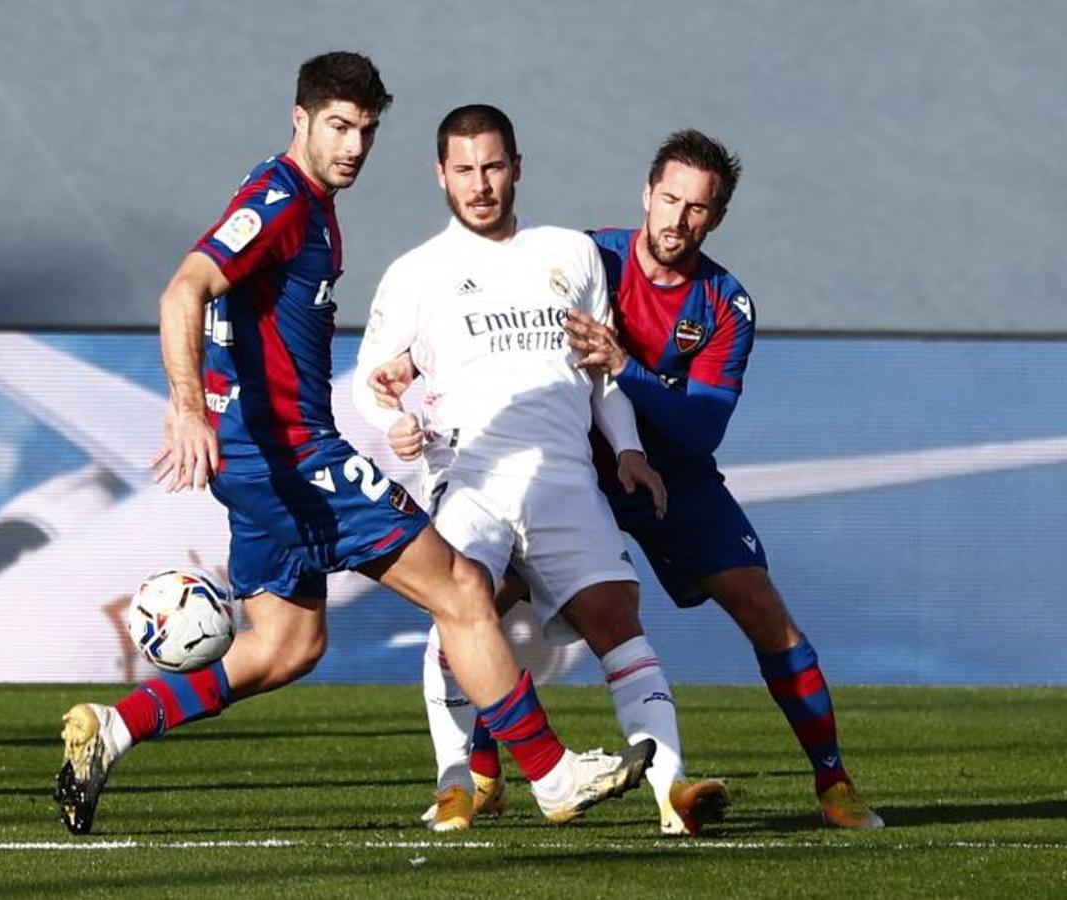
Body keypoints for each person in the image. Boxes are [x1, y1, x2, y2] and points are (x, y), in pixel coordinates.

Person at [53, 53, 652, 837]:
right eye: (338, 125)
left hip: (263, 463)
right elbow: (183, 289)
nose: (353, 146)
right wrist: (189, 406)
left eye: (366, 130)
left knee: (286, 645)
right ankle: (550, 773)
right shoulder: (282, 200)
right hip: (296, 456)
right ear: (299, 118)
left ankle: (116, 725)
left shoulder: (300, 201)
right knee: (464, 590)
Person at [371, 129, 884, 830]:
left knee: (769, 618)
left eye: (697, 208)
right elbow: (478, 330)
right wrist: (409, 378)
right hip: (570, 470)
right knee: (476, 602)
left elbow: (701, 428)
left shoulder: (725, 304)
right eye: (668, 198)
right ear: (646, 193)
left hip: (669, 476)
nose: (677, 219)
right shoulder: (584, 255)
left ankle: (833, 782)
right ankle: (479, 775)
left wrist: (626, 371)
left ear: (717, 217)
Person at [353, 104, 728, 836]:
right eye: (464, 170)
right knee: (458, 614)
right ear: (441, 176)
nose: (480, 184)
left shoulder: (570, 254)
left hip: (563, 476)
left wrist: (627, 450)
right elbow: (372, 374)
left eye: (493, 166)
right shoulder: (415, 274)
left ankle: (672, 794)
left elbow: (600, 369)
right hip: (470, 474)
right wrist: (390, 421)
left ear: (517, 167)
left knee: (618, 617)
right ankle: (456, 782)